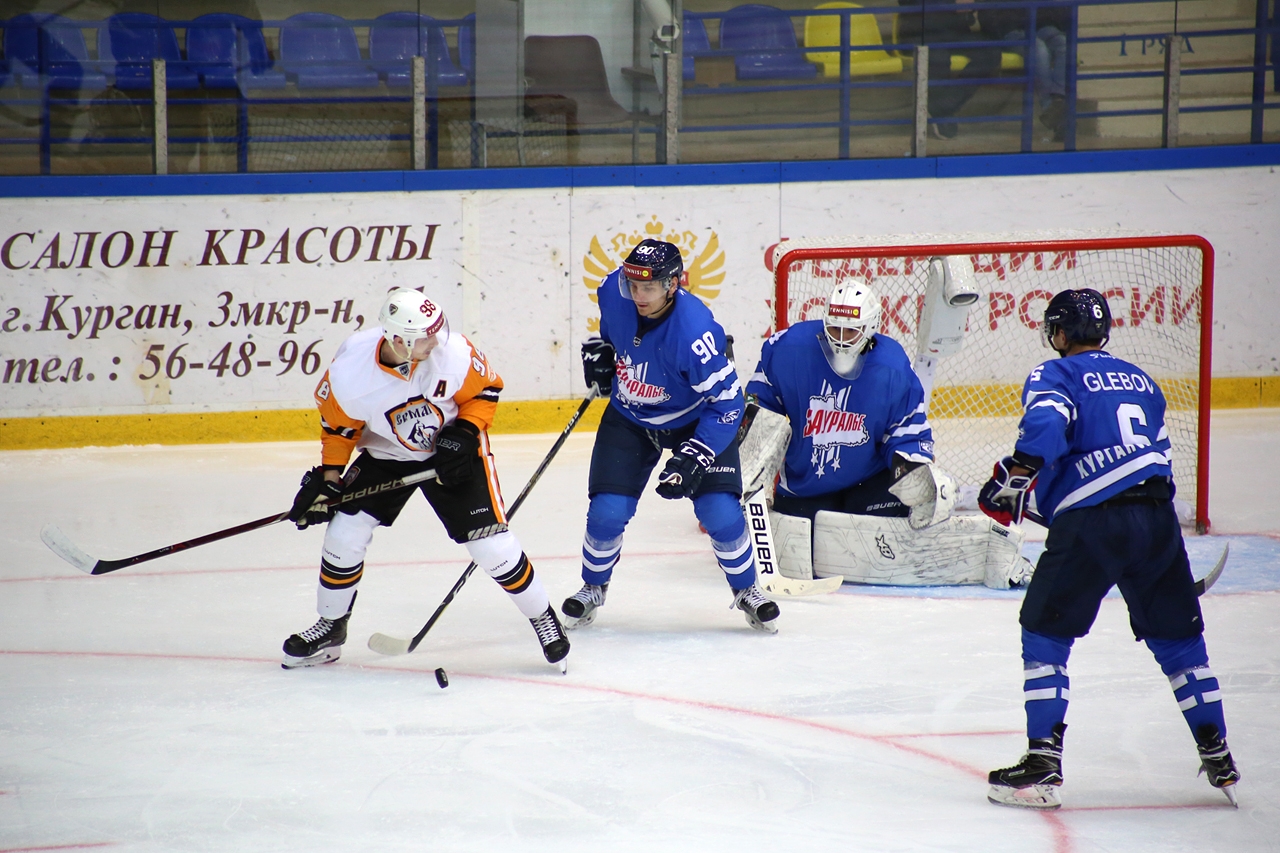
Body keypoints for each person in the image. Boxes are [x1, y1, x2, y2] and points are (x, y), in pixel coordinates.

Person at [980, 288, 1239, 809]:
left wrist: (1022, 472)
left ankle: (1042, 763)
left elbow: (1048, 426)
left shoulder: (1054, 374)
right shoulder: (1143, 381)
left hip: (1093, 525)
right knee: (1179, 643)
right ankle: (1217, 750)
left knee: (1045, 631)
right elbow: (1158, 456)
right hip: (1156, 519)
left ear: (1058, 333)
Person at [281, 287, 569, 671]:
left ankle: (542, 618)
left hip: (452, 453)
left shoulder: (453, 353)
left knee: (492, 547)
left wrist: (466, 433)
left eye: (436, 330)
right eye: (424, 337)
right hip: (386, 454)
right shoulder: (350, 372)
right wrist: (330, 478)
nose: (436, 341)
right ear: (397, 340)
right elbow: (338, 427)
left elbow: (486, 391)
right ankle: (331, 628)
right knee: (343, 535)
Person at [744, 279, 1031, 589]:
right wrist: (752, 462)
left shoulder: (892, 367)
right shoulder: (789, 349)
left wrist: (910, 470)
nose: (840, 340)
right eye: (834, 329)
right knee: (803, 550)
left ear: (870, 329)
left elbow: (906, 431)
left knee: (889, 541)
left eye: (850, 331)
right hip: (806, 486)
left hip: (869, 482)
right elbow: (760, 405)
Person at [564, 238, 780, 633]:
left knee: (719, 511)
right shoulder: (615, 290)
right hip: (630, 418)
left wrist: (697, 453)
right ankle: (593, 587)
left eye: (648, 287)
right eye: (634, 285)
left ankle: (748, 589)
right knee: (607, 512)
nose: (638, 294)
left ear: (673, 285)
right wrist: (603, 353)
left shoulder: (695, 334)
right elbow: (619, 338)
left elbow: (730, 403)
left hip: (694, 421)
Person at [897, 0, 1003, 139]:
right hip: (923, 31)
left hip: (955, 30)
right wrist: (952, 3)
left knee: (990, 53)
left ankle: (943, 106)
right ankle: (942, 112)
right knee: (938, 59)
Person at [976, 0, 1071, 139]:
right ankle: (1052, 111)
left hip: (1043, 27)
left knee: (1065, 45)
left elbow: (1060, 12)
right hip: (1012, 30)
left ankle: (1058, 101)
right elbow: (988, 16)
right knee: (1039, 49)